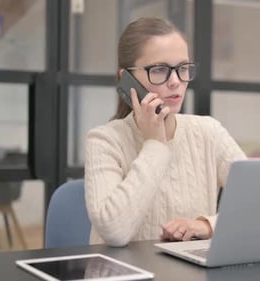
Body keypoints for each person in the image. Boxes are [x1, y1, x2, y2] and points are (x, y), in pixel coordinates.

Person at [84, 17, 246, 247]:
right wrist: (155, 145)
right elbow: (114, 231)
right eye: (159, 70)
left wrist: (207, 225)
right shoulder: (104, 141)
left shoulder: (208, 132)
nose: (175, 81)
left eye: (182, 68)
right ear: (126, 79)